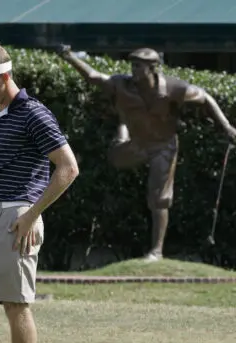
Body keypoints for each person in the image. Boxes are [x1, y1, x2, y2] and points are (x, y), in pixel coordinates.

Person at [57, 45, 236, 262]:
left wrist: (226, 127)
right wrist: (68, 56)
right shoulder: (121, 84)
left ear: (153, 69)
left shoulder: (173, 88)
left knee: (159, 198)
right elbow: (93, 76)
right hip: (137, 144)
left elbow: (205, 97)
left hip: (163, 146)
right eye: (132, 65)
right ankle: (122, 134)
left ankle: (156, 251)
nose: (133, 69)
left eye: (139, 66)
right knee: (113, 161)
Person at [0, 41, 79, 343]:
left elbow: (68, 168)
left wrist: (32, 215)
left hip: (16, 218)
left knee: (15, 305)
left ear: (3, 77)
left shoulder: (33, 114)